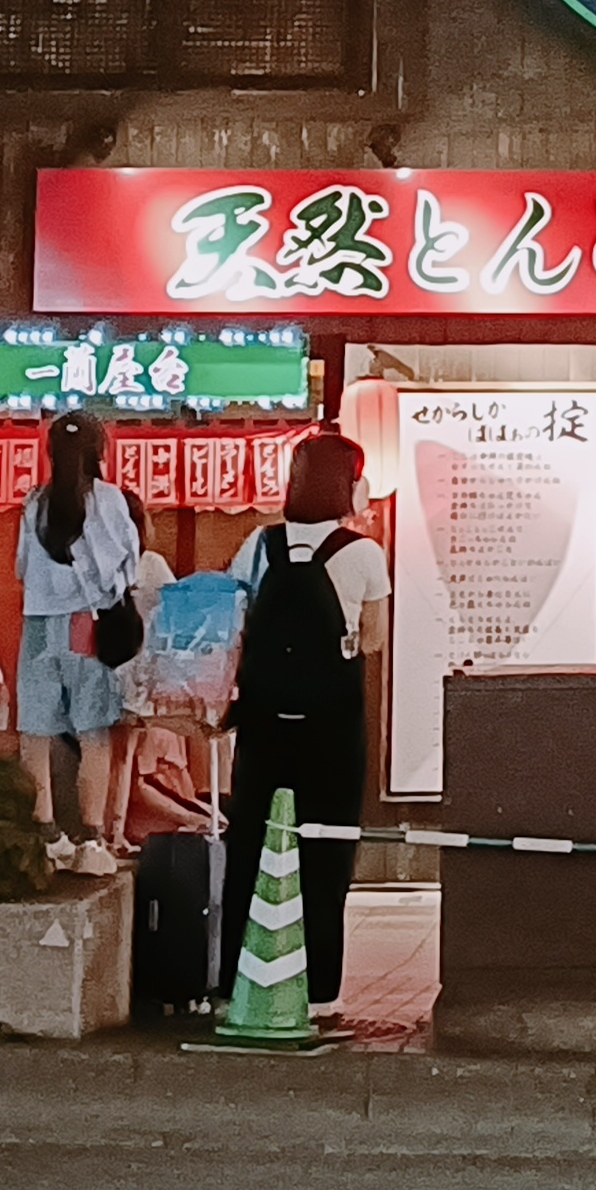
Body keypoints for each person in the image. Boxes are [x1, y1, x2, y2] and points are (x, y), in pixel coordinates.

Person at [221, 429, 388, 1021]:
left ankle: (235, 979)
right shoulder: (364, 553)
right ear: (349, 484)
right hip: (331, 725)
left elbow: (234, 625)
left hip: (263, 719)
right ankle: (318, 989)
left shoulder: (258, 544)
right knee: (326, 847)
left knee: (251, 842)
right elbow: (371, 639)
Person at [16, 411, 146, 878]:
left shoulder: (37, 502)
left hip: (38, 622)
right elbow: (126, 563)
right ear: (100, 451)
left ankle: (45, 832)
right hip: (86, 623)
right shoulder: (109, 499)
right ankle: (92, 836)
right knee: (93, 731)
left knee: (36, 728)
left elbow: (21, 567)